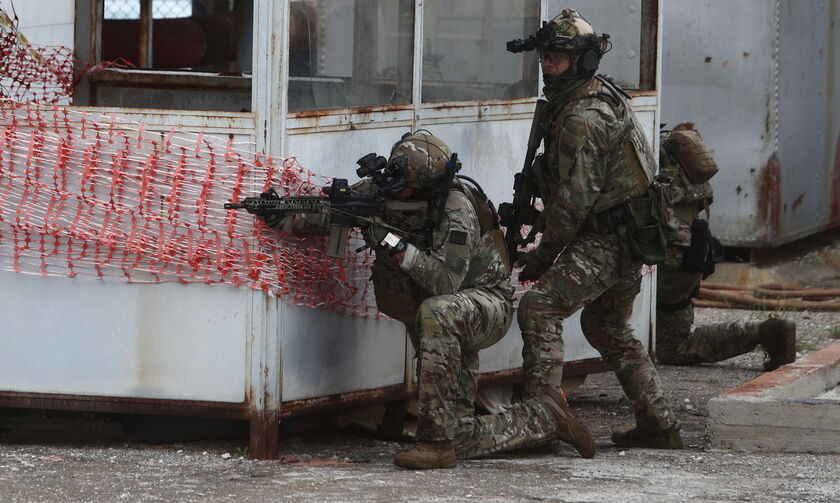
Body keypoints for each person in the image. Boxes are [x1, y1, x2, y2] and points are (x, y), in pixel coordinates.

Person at [261, 131, 594, 469]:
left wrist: (391, 241)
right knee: (458, 434)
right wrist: (286, 215)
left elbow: (443, 281)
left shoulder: (455, 208)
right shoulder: (386, 188)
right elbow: (336, 212)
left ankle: (433, 444)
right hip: (447, 317)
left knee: (436, 311)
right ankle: (543, 420)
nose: (396, 190)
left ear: (426, 186)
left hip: (484, 305)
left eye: (405, 187)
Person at [508, 8, 683, 449]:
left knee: (540, 309)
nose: (548, 63)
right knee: (607, 326)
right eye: (545, 55)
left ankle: (541, 424)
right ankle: (658, 425)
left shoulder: (583, 114)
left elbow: (574, 200)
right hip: (626, 232)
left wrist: (542, 256)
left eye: (559, 57)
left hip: (609, 237)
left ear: (582, 60)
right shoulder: (591, 94)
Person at [655, 124, 797, 370]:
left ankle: (762, 333)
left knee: (671, 347)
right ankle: (765, 332)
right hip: (692, 247)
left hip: (665, 252)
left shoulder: (645, 146)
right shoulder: (669, 145)